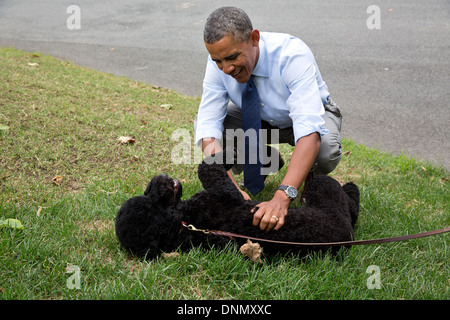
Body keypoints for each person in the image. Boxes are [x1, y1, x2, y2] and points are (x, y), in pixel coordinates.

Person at [194, 7, 342, 232]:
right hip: (259, 119)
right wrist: (229, 190)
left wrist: (282, 198)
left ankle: (308, 178)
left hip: (305, 119)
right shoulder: (219, 61)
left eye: (232, 57)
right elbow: (208, 125)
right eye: (218, 61)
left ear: (254, 39)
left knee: (325, 150)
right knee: (211, 127)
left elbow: (310, 131)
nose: (226, 69)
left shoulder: (292, 55)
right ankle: (263, 159)